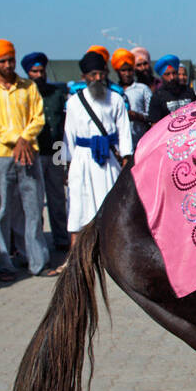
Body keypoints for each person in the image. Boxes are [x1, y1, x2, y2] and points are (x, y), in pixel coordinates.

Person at [0, 39, 52, 281]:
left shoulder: (28, 86)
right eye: (2, 61)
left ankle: (36, 262)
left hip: (29, 154)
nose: (7, 65)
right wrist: (17, 141)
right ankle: (4, 264)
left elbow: (38, 118)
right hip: (0, 155)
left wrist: (25, 140)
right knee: (3, 209)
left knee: (33, 207)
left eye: (10, 60)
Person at [63, 51, 132, 250]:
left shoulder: (116, 99)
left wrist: (126, 156)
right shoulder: (74, 102)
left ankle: (111, 249)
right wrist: (67, 165)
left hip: (109, 160)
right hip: (83, 159)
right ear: (84, 77)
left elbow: (124, 130)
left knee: (110, 202)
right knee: (79, 206)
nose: (98, 78)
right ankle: (77, 252)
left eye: (101, 73)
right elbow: (68, 134)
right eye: (93, 75)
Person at [21, 51, 70, 252]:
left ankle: (61, 239)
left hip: (56, 150)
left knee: (58, 196)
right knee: (35, 201)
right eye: (35, 71)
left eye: (42, 71)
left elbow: (64, 124)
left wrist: (65, 155)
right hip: (35, 152)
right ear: (28, 73)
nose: (39, 75)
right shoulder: (24, 94)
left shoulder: (57, 92)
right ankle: (38, 243)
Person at [111, 47, 150, 147]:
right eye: (123, 70)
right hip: (119, 144)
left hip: (140, 142)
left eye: (130, 70)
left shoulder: (142, 89)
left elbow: (152, 116)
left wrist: (137, 116)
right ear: (118, 72)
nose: (127, 74)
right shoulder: (112, 91)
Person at [145, 55, 196, 126]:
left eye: (174, 73)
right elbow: (155, 124)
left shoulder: (189, 92)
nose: (171, 77)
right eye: (167, 74)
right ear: (162, 76)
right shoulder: (157, 96)